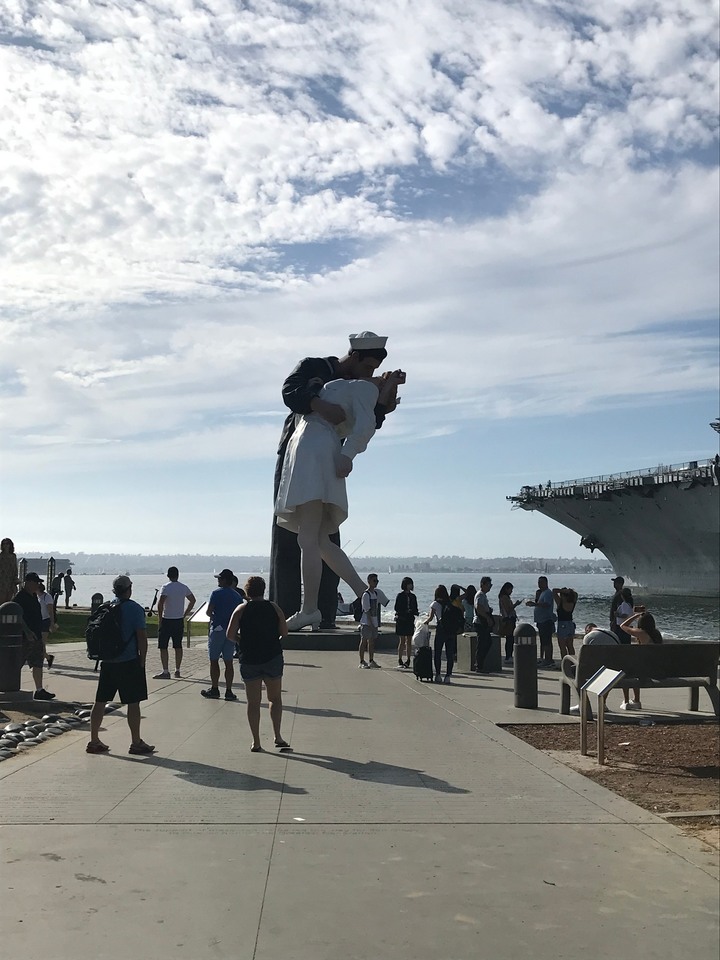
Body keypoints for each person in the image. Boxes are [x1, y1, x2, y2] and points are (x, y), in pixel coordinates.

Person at [270, 331, 399, 627]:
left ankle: (310, 609)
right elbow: (291, 392)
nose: (371, 375)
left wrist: (348, 454)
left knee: (308, 538)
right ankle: (364, 593)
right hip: (302, 452)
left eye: (375, 373)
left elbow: (367, 424)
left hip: (314, 453)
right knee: (318, 540)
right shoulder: (326, 374)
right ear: (353, 357)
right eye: (368, 368)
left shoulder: (359, 389)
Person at [86, 575, 154, 755]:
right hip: (128, 661)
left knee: (100, 701)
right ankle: (136, 742)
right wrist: (142, 660)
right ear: (129, 589)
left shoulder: (105, 607)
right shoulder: (135, 609)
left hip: (107, 661)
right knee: (133, 703)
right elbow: (141, 638)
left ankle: (94, 740)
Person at [228, 576, 289, 752]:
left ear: (247, 591)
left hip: (249, 659)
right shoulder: (274, 608)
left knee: (253, 702)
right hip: (272, 657)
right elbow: (284, 632)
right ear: (263, 590)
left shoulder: (241, 609)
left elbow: (230, 635)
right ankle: (277, 735)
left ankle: (256, 741)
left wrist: (242, 640)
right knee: (275, 698)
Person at [12, 572, 55, 700]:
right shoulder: (20, 598)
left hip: (37, 636)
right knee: (16, 663)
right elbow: (18, 616)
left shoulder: (34, 596)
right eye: (36, 582)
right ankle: (8, 686)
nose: (38, 585)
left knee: (37, 663)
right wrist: (27, 631)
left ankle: (39, 690)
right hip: (25, 638)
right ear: (28, 582)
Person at [201, 569, 241, 700]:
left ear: (225, 580)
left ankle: (215, 688)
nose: (218, 580)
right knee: (228, 661)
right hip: (231, 631)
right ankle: (229, 691)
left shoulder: (216, 593)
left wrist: (215, 618)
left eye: (220, 578)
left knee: (214, 660)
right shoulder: (237, 596)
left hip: (218, 629)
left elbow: (208, 612)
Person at [154, 567, 196, 680]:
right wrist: (185, 613)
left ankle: (165, 671)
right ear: (178, 575)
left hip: (167, 619)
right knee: (178, 646)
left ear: (168, 575)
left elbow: (160, 603)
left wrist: (160, 619)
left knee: (163, 646)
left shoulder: (166, 587)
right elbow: (193, 600)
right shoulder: (183, 587)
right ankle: (177, 670)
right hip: (178, 619)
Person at [618, 607, 663, 710]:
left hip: (647, 671)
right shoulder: (657, 634)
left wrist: (636, 615)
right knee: (634, 668)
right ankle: (636, 700)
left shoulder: (641, 633)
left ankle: (627, 702)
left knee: (626, 671)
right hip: (659, 668)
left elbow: (623, 626)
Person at [425, 584, 457, 684]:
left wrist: (423, 623)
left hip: (441, 629)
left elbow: (430, 618)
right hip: (451, 630)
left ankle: (438, 675)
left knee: (438, 653)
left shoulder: (435, 604)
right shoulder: (450, 602)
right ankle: (448, 676)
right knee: (449, 654)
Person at [526, 575, 556, 667]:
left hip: (546, 620)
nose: (539, 584)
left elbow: (547, 604)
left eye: (541, 582)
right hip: (541, 621)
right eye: (538, 582)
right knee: (543, 640)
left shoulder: (547, 593)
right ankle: (544, 658)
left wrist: (534, 604)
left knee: (547, 641)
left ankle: (548, 659)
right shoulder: (542, 593)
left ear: (546, 583)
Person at [358, 573, 382, 668]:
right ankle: (361, 661)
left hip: (374, 621)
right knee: (364, 640)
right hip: (366, 622)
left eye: (377, 581)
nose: (376, 583)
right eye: (374, 581)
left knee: (371, 642)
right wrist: (370, 622)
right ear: (369, 582)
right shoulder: (366, 595)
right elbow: (366, 610)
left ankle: (371, 660)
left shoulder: (375, 594)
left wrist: (375, 622)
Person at [394, 577, 418, 669]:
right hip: (402, 619)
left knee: (409, 640)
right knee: (402, 640)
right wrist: (405, 611)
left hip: (409, 619)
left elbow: (415, 607)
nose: (410, 586)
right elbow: (397, 607)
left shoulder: (413, 596)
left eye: (411, 584)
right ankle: (400, 658)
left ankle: (408, 659)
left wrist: (414, 611)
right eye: (409, 584)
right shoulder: (400, 595)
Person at [473, 577, 495, 672]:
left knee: (486, 642)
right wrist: (487, 617)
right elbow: (478, 607)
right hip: (480, 622)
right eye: (489, 585)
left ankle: (479, 663)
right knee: (483, 643)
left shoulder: (482, 595)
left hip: (481, 621)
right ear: (483, 584)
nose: (490, 587)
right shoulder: (480, 595)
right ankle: (479, 665)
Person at [497, 582, 521, 663]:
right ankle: (508, 656)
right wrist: (516, 604)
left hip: (508, 619)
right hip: (508, 620)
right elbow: (508, 609)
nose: (511, 591)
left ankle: (509, 655)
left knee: (510, 638)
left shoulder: (503, 597)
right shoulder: (504, 597)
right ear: (506, 589)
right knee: (510, 638)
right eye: (510, 589)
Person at [553, 586, 578, 658]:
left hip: (562, 624)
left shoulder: (561, 602)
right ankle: (573, 662)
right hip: (570, 624)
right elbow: (575, 594)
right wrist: (569, 591)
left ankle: (565, 663)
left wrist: (562, 591)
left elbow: (554, 591)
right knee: (570, 645)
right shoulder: (572, 602)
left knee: (562, 646)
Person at [36, 579, 56, 670]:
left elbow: (50, 611)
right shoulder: (36, 597)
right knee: (38, 643)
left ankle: (41, 661)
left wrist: (52, 623)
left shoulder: (46, 597)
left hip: (46, 621)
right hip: (38, 621)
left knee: (41, 643)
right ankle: (48, 658)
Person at [0, 537, 19, 604]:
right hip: (2, 582)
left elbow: (15, 568)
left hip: (11, 581)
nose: (6, 545)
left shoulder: (13, 556)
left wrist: (15, 579)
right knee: (2, 602)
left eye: (7, 543)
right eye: (4, 544)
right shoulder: (1, 556)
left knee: (9, 602)